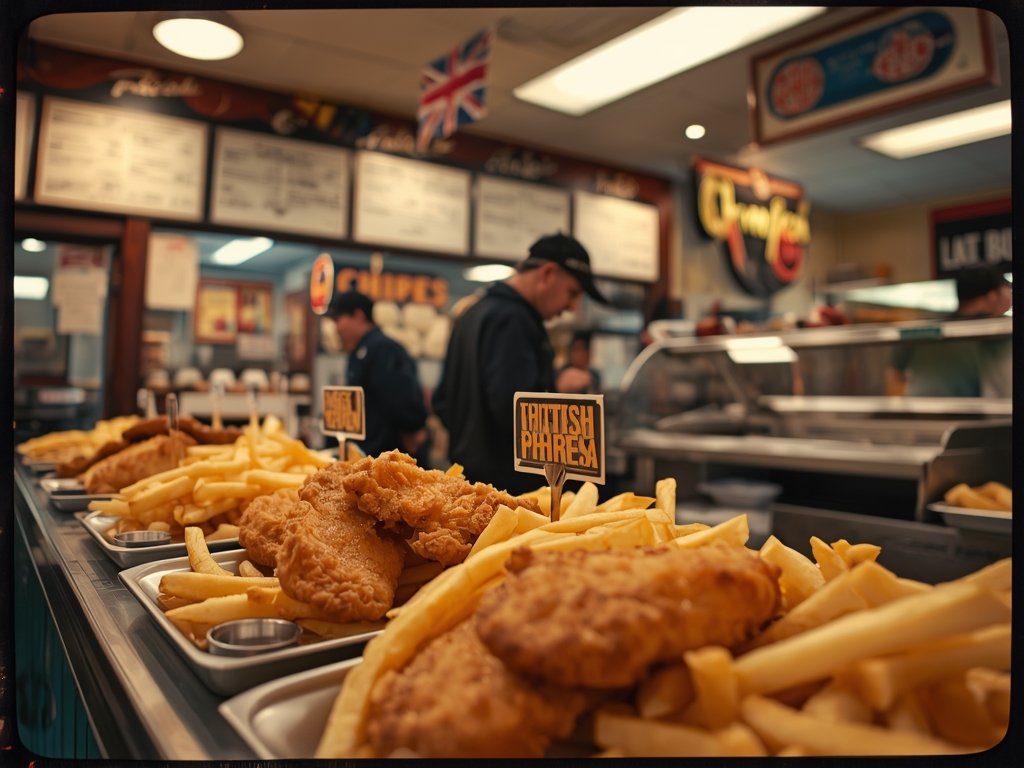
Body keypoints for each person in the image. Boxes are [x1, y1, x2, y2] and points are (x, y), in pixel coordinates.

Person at [432, 233, 607, 493]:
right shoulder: (514, 321)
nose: (571, 306)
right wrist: (558, 390)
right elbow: (515, 411)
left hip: (468, 483)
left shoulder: (472, 311)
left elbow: (442, 401)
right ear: (547, 273)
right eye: (572, 293)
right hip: (507, 493)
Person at [328, 288, 428, 458]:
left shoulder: (384, 349)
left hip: (386, 458)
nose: (336, 327)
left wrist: (413, 428)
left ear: (358, 316)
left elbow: (404, 402)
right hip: (366, 455)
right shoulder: (360, 351)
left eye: (338, 319)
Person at [887, 264, 1012, 397]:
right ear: (992, 295)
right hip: (978, 413)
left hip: (920, 411)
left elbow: (895, 373)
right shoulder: (999, 331)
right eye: (1008, 290)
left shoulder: (923, 329)